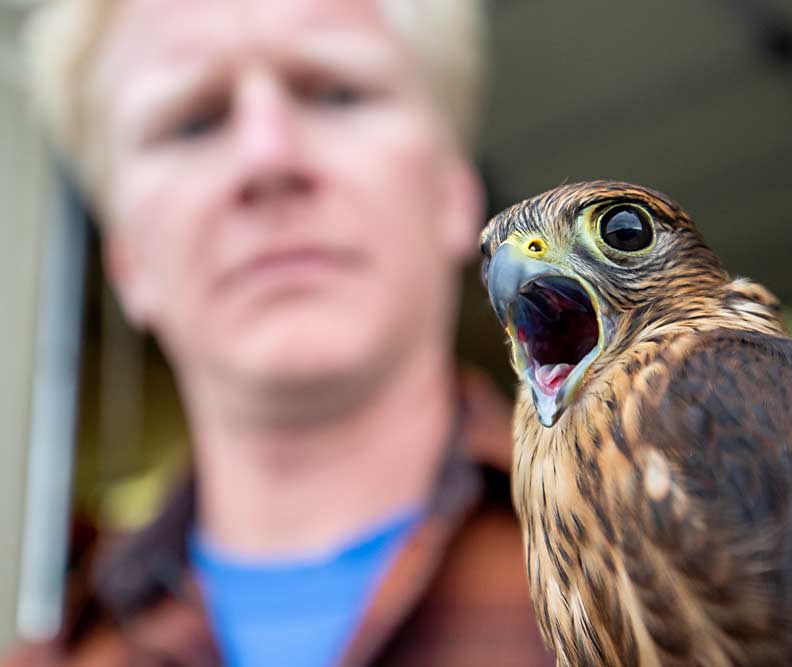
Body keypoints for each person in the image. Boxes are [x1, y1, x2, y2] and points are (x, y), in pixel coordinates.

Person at [6, 0, 552, 665]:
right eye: (192, 122)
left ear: (455, 193)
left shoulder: (684, 572)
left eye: (338, 94)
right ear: (129, 262)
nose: (268, 157)